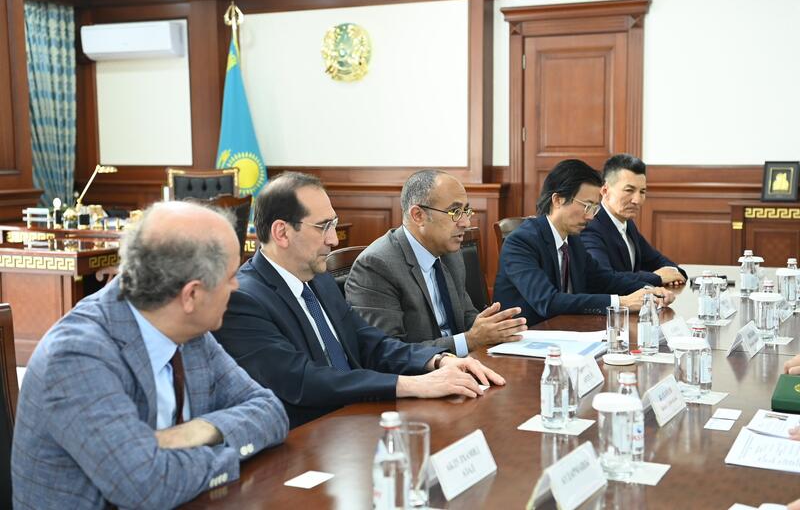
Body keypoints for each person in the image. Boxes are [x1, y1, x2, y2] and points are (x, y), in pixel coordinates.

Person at [11, 202, 289, 509]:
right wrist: (230, 452)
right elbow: (147, 486)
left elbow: (271, 411)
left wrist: (198, 431)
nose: (236, 287)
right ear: (191, 295)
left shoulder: (190, 330)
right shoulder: (76, 357)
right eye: (231, 277)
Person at [215, 172, 505, 428]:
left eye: (334, 225)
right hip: (306, 434)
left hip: (356, 416)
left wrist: (438, 361)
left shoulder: (319, 279)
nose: (333, 240)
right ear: (282, 232)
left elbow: (371, 342)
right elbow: (303, 380)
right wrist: (412, 384)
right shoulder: (243, 300)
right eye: (323, 227)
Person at [345, 169, 526, 355]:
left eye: (466, 211)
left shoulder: (450, 254)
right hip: (423, 371)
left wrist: (494, 327)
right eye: (455, 212)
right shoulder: (376, 265)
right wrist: (469, 340)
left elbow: (465, 316)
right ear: (418, 215)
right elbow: (387, 353)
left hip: (460, 363)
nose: (465, 222)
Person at [493, 159, 674, 326]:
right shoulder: (521, 242)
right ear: (558, 200)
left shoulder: (573, 241)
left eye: (594, 208)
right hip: (525, 337)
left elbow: (605, 280)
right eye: (587, 206)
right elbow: (548, 302)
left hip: (564, 331)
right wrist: (622, 302)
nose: (590, 217)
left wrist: (649, 291)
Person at [581, 154, 686, 286]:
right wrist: (657, 277)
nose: (637, 200)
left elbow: (655, 260)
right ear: (605, 191)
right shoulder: (591, 227)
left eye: (642, 192)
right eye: (629, 190)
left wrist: (674, 272)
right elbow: (604, 278)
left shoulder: (627, 223)